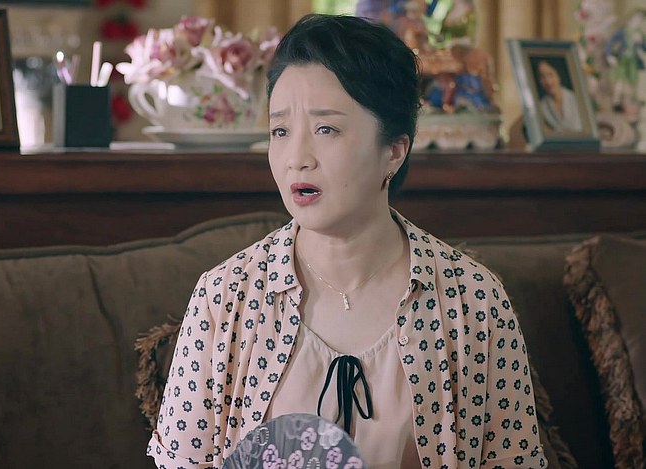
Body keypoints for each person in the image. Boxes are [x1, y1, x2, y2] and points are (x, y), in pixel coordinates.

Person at [147, 14, 547, 469]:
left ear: (394, 150)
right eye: (280, 131)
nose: (296, 159)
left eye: (326, 130)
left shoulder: (472, 301)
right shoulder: (225, 298)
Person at [536, 59, 582, 132]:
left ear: (558, 75)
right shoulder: (542, 107)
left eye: (550, 74)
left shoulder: (576, 99)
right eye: (542, 76)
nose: (548, 81)